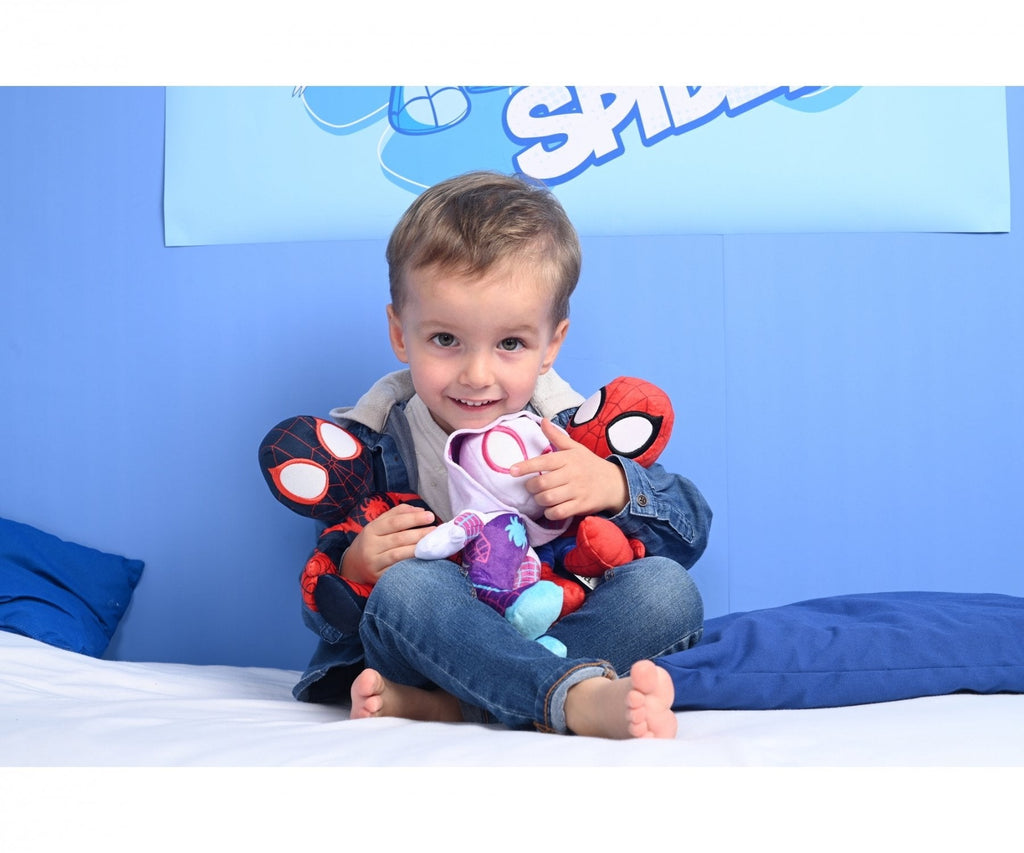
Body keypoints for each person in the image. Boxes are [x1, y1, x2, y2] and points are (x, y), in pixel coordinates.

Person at [267, 170, 711, 738]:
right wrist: (353, 568)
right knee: (409, 586)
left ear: (550, 345)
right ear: (401, 334)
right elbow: (327, 616)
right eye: (445, 340)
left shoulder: (572, 430)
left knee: (667, 589)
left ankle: (460, 706)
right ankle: (571, 700)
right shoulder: (367, 448)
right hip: (428, 642)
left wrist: (614, 486)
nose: (477, 375)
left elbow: (691, 531)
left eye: (510, 344)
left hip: (552, 624)